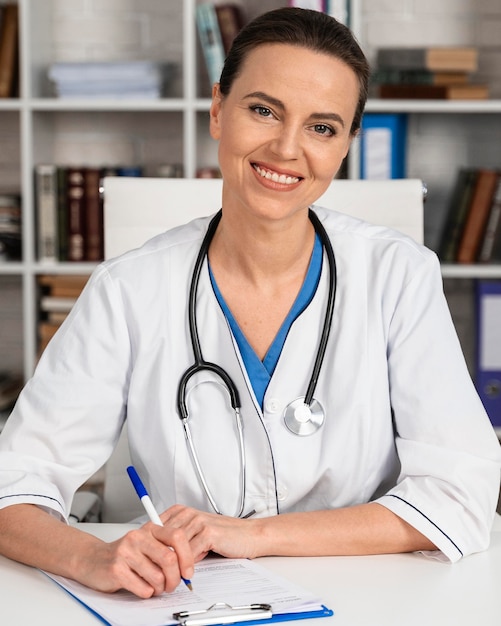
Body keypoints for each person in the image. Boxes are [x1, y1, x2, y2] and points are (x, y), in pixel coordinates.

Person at [0, 7, 500, 599]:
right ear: (218, 110)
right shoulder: (129, 288)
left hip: (368, 598)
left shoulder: (399, 276)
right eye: (263, 110)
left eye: (322, 127)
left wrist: (254, 535)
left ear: (345, 146)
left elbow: (461, 494)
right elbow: (14, 485)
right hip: (180, 598)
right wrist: (93, 557)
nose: (287, 148)